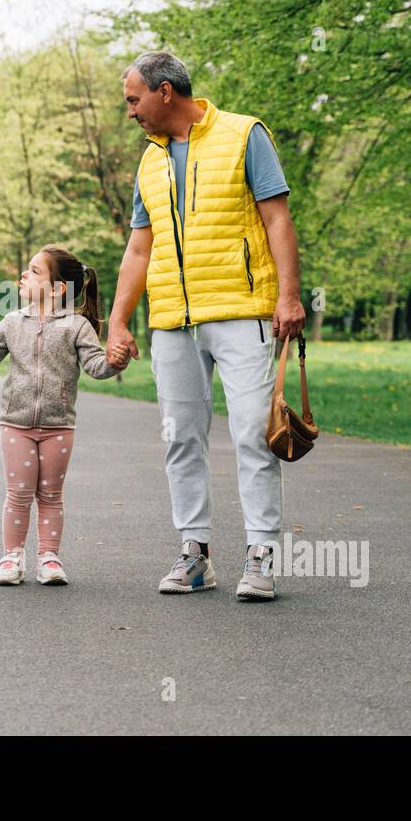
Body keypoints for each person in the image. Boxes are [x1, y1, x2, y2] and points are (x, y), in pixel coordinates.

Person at [105, 52, 306, 600]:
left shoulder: (245, 136)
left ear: (165, 91)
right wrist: (118, 321)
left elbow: (277, 218)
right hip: (173, 320)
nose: (131, 112)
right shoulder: (149, 161)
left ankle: (260, 557)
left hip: (241, 311)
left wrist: (289, 296)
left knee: (252, 434)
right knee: (180, 438)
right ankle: (195, 554)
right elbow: (139, 248)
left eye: (134, 100)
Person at [0, 245, 126, 586]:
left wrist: (116, 362)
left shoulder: (76, 327)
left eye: (35, 271)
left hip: (59, 427)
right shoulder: (12, 322)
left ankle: (49, 558)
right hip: (16, 424)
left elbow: (96, 367)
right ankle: (12, 557)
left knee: (51, 495)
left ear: (57, 289)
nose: (24, 274)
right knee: (18, 494)